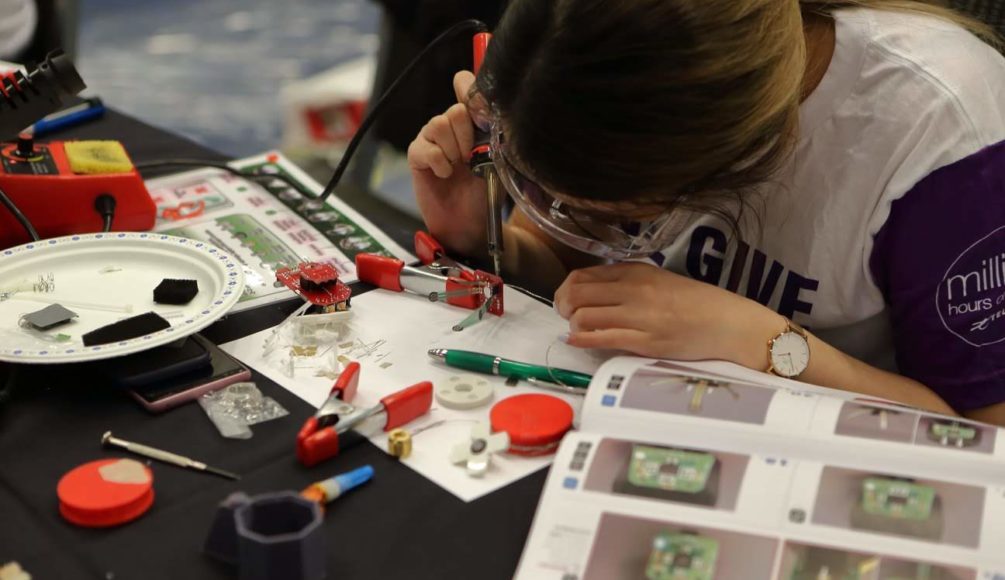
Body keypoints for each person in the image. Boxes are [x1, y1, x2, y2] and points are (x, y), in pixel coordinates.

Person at [407, 0, 1005, 424]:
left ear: (735, 162)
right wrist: (487, 238)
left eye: (623, 210)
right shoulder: (581, 59)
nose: (567, 214)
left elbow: (983, 434)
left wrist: (760, 341)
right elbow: (568, 261)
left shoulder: (946, 143)